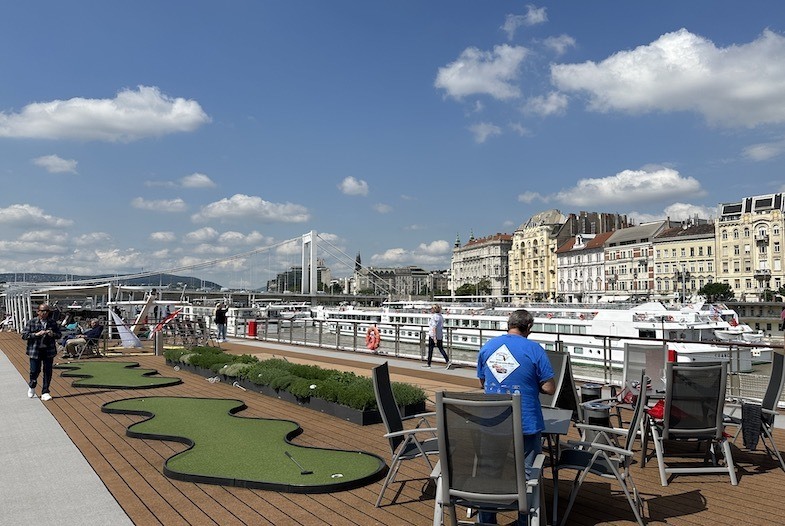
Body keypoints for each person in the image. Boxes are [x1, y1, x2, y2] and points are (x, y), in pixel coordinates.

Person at [475, 309, 555, 526]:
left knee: (490, 473)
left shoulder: (488, 346)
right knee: (529, 475)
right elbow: (548, 387)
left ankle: (488, 521)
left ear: (508, 324)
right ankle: (525, 521)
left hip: (493, 422)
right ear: (528, 327)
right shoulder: (534, 349)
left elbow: (482, 383)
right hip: (526, 422)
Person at [21, 303, 61, 401]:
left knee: (48, 371)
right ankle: (32, 385)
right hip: (35, 350)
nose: (44, 313)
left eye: (47, 311)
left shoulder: (52, 322)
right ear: (38, 312)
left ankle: (45, 391)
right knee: (34, 370)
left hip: (48, 350)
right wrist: (36, 334)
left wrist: (52, 334)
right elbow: (24, 335)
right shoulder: (32, 322)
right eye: (42, 311)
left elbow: (59, 335)